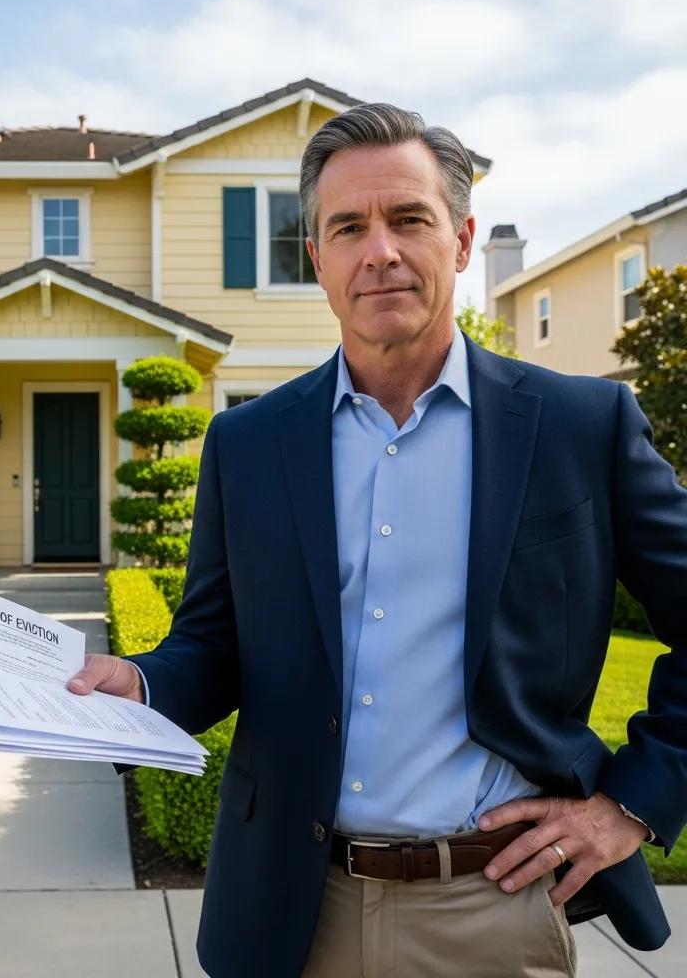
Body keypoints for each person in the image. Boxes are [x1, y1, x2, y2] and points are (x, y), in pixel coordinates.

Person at [66, 103, 687, 977]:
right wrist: (138, 683)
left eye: (408, 219)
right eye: (348, 227)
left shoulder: (581, 427)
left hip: (492, 910)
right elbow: (214, 645)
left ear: (461, 241)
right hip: (289, 911)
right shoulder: (249, 444)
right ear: (316, 257)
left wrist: (630, 805)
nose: (380, 251)